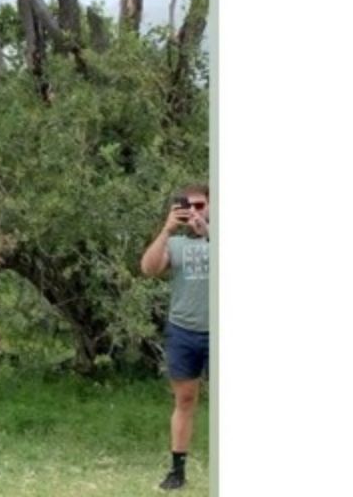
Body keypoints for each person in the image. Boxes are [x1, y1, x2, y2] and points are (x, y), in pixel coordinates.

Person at [140, 183, 211, 491]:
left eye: (200, 205)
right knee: (184, 399)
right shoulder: (177, 243)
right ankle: (177, 471)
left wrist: (208, 230)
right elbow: (149, 268)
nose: (194, 212)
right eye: (188, 206)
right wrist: (166, 230)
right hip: (184, 331)